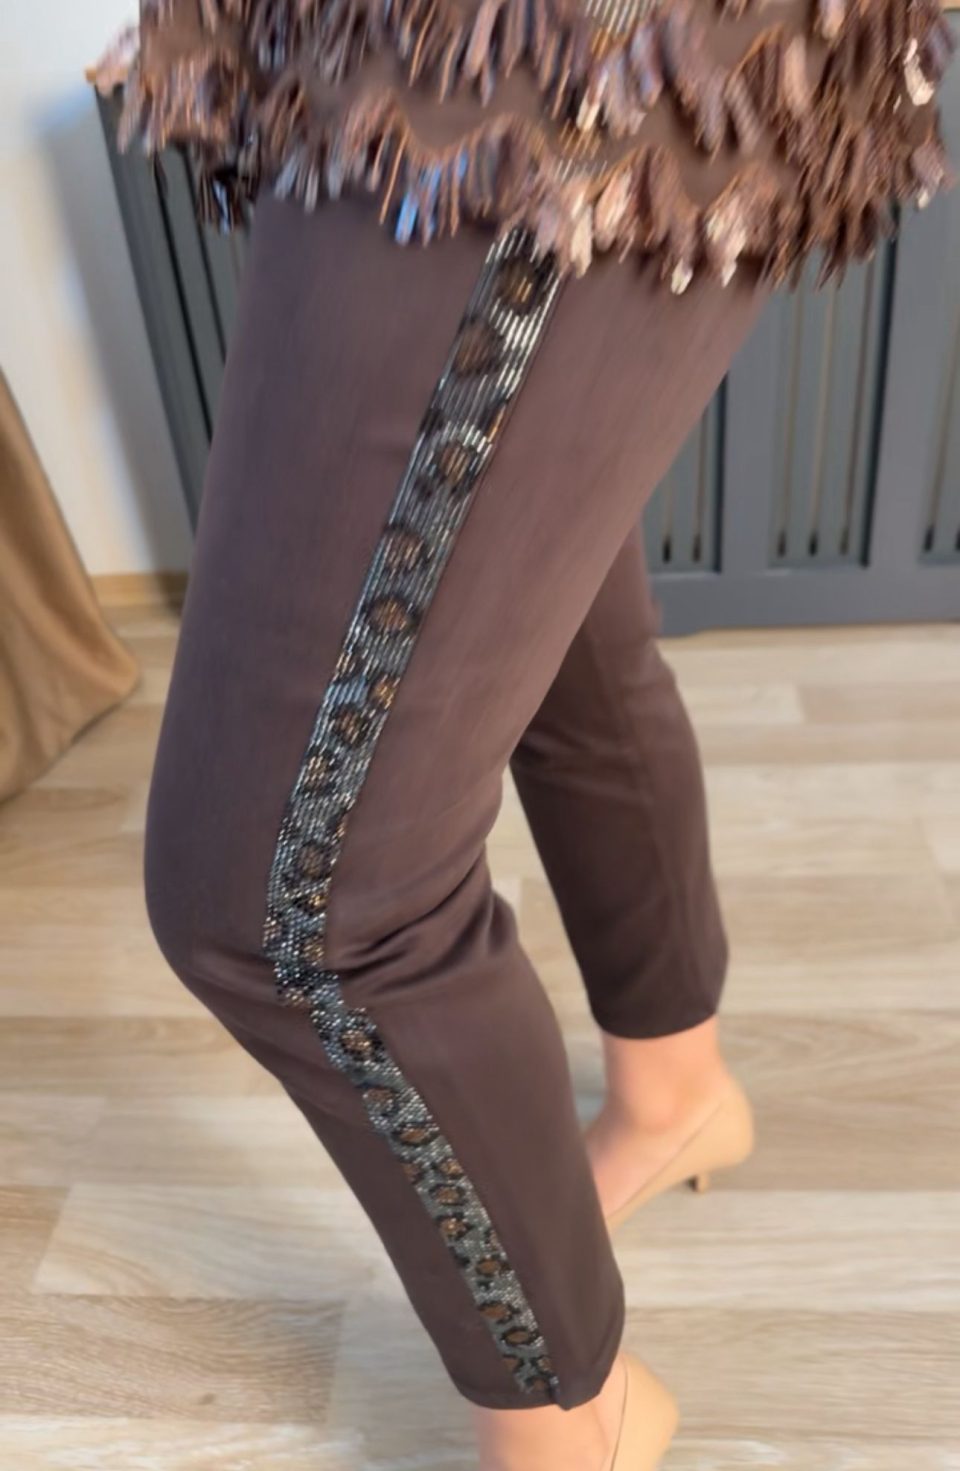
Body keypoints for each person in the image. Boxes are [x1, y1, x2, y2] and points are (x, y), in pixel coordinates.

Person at [94, 0, 953, 1465]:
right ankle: (675, 1089)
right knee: (532, 607)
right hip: (465, 49)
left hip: (574, 58)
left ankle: (574, 1420)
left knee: (288, 902)